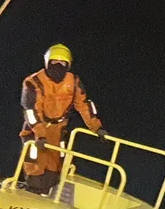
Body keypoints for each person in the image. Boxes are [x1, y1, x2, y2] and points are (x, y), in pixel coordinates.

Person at [19, 44, 108, 195]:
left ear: (68, 65)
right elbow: (31, 111)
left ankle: (51, 193)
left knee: (56, 163)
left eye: (62, 63)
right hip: (36, 130)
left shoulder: (73, 82)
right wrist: (40, 134)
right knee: (35, 161)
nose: (58, 66)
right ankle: (32, 191)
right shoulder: (33, 82)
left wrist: (96, 128)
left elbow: (84, 106)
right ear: (47, 62)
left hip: (58, 129)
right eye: (54, 62)